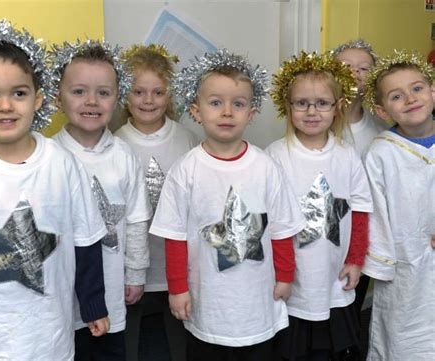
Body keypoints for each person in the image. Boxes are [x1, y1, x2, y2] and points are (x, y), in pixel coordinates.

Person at [0, 20, 109, 361]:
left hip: (52, 331)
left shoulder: (62, 163)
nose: (5, 106)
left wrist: (93, 302)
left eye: (18, 93)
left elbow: (86, 240)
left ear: (38, 98)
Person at [149, 48, 306, 361]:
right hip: (208, 302)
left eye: (238, 104)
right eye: (215, 103)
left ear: (251, 113)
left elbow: (282, 227)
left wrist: (286, 275)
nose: (226, 112)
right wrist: (177, 288)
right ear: (196, 110)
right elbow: (175, 235)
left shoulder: (266, 167)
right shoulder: (186, 170)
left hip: (257, 301)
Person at [266, 51, 373, 361]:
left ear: (337, 108)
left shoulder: (346, 155)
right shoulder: (275, 155)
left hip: (334, 275)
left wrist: (355, 259)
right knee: (292, 350)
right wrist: (278, 271)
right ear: (287, 107)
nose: (312, 111)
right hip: (292, 277)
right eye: (301, 103)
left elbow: (362, 210)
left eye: (322, 103)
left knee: (331, 351)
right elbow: (268, 219)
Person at [50, 40, 152, 360]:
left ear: (116, 99)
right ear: (57, 98)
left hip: (111, 291)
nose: (91, 101)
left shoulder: (124, 155)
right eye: (79, 91)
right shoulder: (48, 157)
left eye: (103, 93)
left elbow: (136, 218)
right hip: (61, 297)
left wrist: (135, 273)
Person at [114, 43, 198, 361]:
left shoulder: (187, 140)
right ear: (125, 94)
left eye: (158, 92)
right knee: (132, 346)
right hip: (131, 275)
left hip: (177, 271)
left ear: (170, 95)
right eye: (139, 92)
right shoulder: (116, 142)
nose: (148, 101)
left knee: (177, 347)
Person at [362, 50, 434, 361]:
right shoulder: (381, 153)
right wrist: (382, 262)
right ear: (381, 110)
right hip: (405, 266)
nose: (410, 98)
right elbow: (374, 211)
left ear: (433, 91)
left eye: (417, 88)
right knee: (404, 337)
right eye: (396, 95)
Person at [332, 39, 387, 159]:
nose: (355, 70)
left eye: (364, 68)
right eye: (346, 66)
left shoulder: (379, 127)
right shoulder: (316, 121)